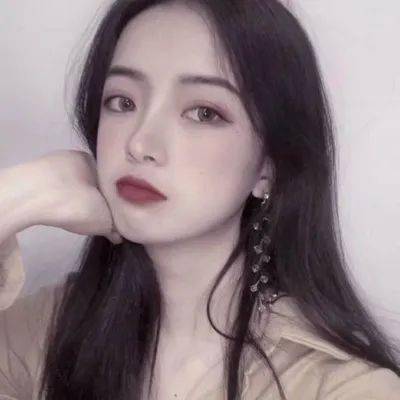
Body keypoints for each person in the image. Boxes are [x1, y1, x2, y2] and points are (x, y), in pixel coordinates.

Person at [0, 0, 399, 399]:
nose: (139, 143)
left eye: (204, 113)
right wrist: (16, 196)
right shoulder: (43, 332)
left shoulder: (342, 388)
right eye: (123, 102)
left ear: (269, 166)